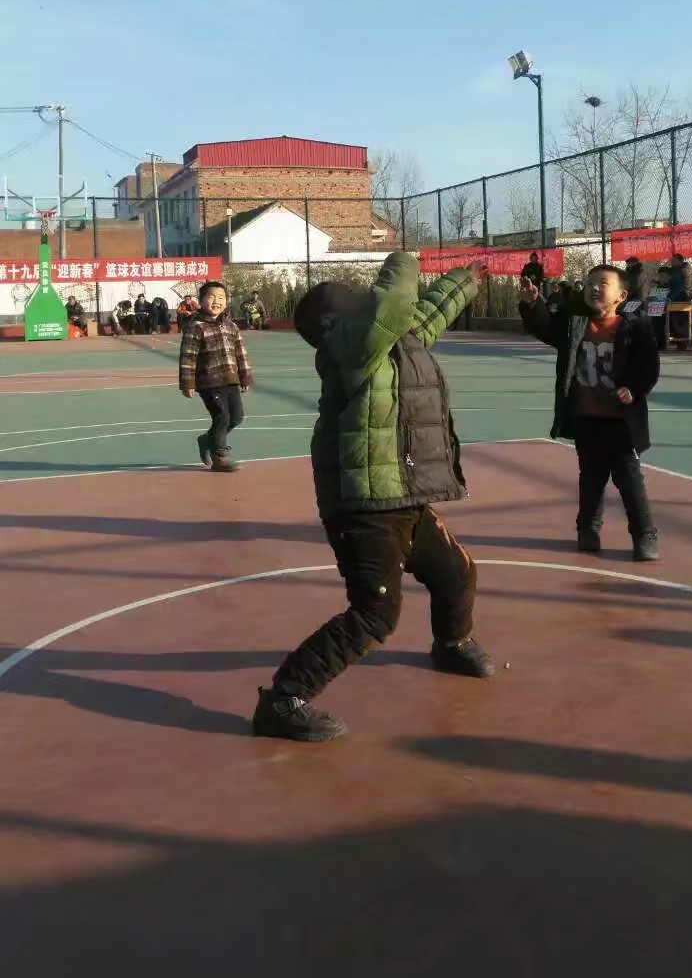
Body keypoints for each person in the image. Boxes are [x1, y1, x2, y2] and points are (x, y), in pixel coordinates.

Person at [252, 251, 494, 744]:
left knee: (455, 572)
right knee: (374, 613)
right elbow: (395, 299)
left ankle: (452, 643)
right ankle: (284, 699)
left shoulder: (387, 340)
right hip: (364, 505)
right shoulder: (349, 348)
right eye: (358, 300)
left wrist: (462, 282)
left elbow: (424, 314)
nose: (369, 301)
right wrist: (405, 256)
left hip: (401, 493)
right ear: (334, 323)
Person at [520, 264, 660, 562]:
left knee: (630, 481)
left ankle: (644, 535)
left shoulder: (634, 328)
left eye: (603, 283)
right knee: (591, 479)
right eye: (589, 283)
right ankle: (588, 529)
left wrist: (633, 389)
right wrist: (533, 305)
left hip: (621, 422)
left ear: (621, 295)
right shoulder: (575, 326)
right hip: (586, 419)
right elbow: (545, 327)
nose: (594, 288)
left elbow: (649, 366)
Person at [179, 281, 252, 473]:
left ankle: (207, 440)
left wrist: (245, 376)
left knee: (236, 417)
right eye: (211, 297)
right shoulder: (195, 327)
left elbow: (240, 353)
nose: (216, 301)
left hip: (231, 379)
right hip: (209, 382)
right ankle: (220, 456)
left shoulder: (231, 326)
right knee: (222, 417)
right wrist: (187, 383)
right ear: (201, 300)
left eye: (221, 298)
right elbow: (188, 357)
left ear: (227, 302)